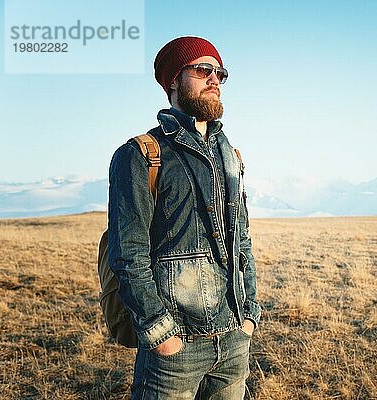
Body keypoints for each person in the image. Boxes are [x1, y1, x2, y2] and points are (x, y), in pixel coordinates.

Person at [107, 36, 261, 399]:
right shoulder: (141, 154)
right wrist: (161, 334)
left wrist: (249, 315)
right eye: (203, 69)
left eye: (220, 73)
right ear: (174, 79)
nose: (215, 79)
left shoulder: (230, 155)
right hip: (176, 349)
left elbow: (242, 240)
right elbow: (128, 252)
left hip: (234, 338)